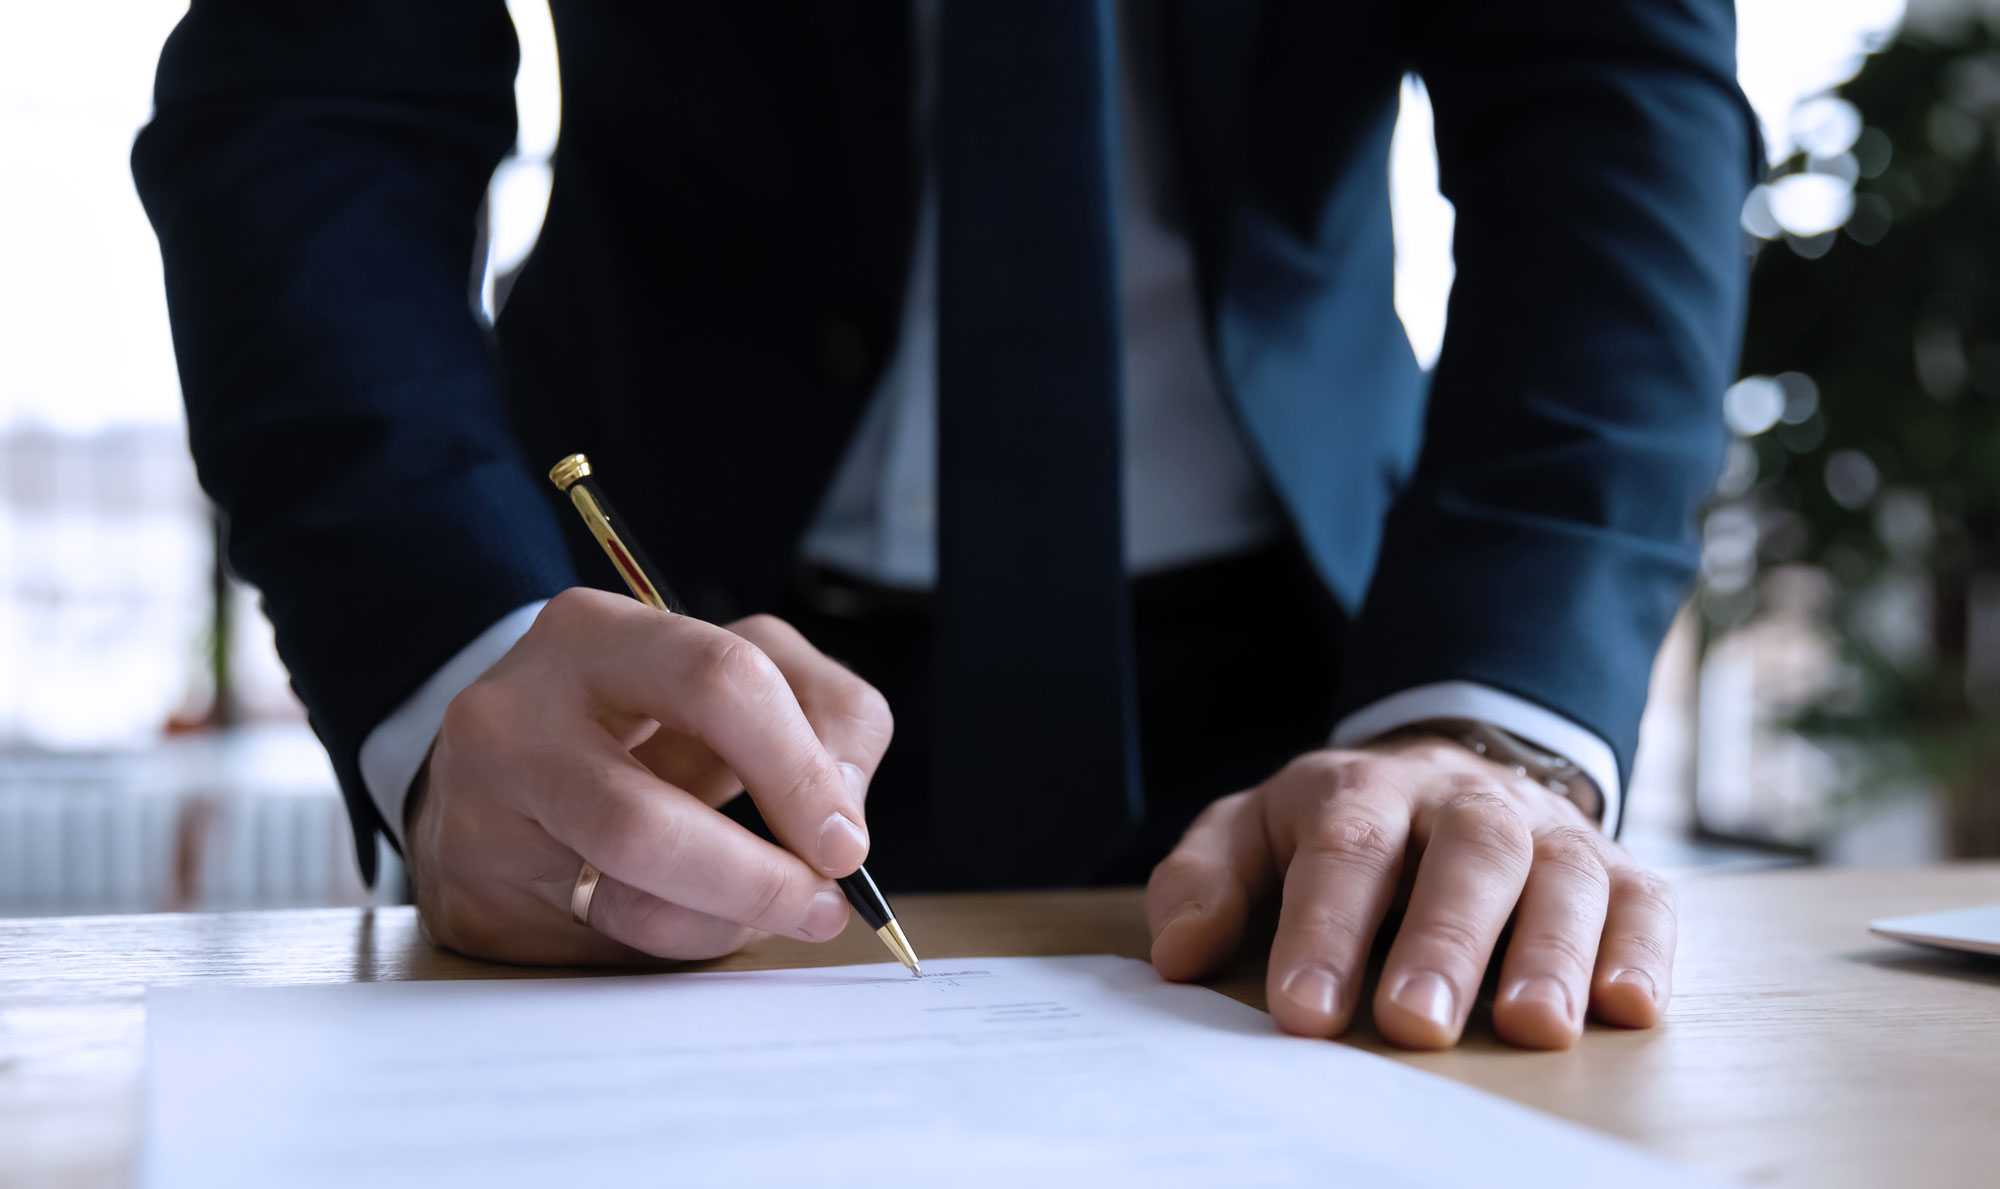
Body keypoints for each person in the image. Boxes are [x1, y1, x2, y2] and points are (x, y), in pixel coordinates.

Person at [133, 0, 1757, 1052]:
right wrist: (454, 650)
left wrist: (1490, 709)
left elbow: (1605, 90)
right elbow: (313, 92)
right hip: (653, 693)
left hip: (1334, 711)